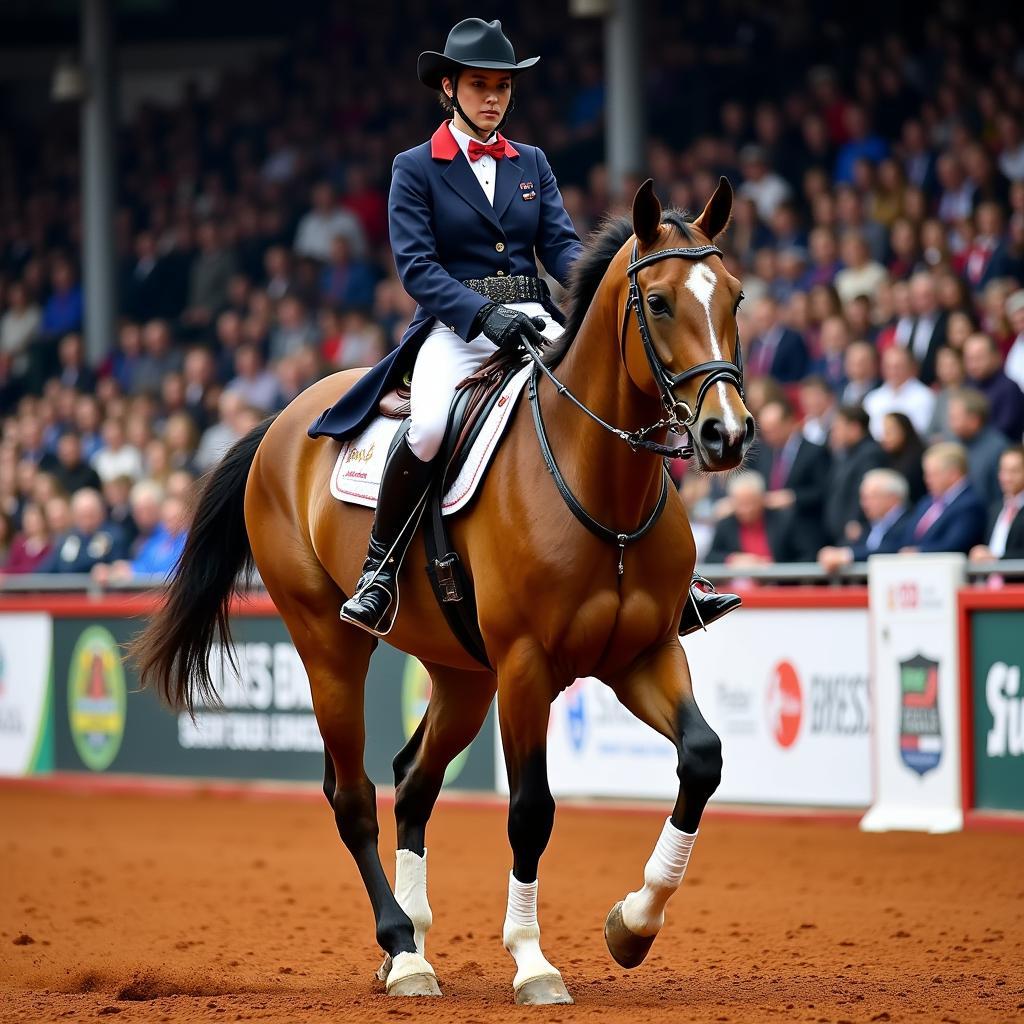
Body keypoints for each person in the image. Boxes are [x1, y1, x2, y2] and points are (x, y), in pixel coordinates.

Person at [310, 19, 739, 636]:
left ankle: (676, 574)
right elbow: (417, 268)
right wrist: (481, 315)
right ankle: (381, 568)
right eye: (480, 85)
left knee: (632, 406)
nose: (493, 98)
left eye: (503, 88)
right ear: (450, 88)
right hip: (454, 327)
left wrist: (609, 287)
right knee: (430, 424)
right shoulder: (415, 167)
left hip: (535, 316)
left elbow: (564, 250)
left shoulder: (531, 162)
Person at [752, 396, 831, 553]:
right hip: (772, 533)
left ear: (789, 423)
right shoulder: (763, 453)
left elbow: (824, 491)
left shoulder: (814, 451)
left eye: (773, 429)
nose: (768, 436)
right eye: (765, 431)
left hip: (805, 533)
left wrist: (793, 497)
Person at [705, 472, 816, 566]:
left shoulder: (784, 521)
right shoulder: (726, 524)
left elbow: (807, 556)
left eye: (751, 503)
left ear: (762, 499)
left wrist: (774, 566)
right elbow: (710, 558)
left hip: (778, 586)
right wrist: (732, 559)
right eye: (741, 504)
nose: (746, 510)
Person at [817, 468, 913, 571]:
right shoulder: (870, 528)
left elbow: (892, 550)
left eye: (870, 497)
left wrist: (847, 555)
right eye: (863, 498)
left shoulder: (910, 522)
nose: (864, 504)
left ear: (892, 498)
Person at [899, 443, 987, 554]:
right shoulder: (926, 502)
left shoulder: (970, 504)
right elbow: (908, 539)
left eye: (933, 474)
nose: (927, 479)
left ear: (953, 474)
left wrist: (919, 552)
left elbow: (955, 545)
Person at [823, 405, 886, 545]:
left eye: (838, 428)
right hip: (840, 535)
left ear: (855, 428)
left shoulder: (870, 454)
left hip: (856, 535)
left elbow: (865, 491)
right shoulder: (846, 454)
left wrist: (856, 521)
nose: (834, 433)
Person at [946, 389, 1007, 508]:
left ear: (974, 420)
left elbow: (998, 499)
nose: (950, 423)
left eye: (955, 418)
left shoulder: (998, 449)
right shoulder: (952, 442)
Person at [863, 346, 935, 439]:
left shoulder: (925, 397)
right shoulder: (873, 398)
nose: (893, 371)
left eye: (898, 366)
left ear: (911, 367)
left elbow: (922, 431)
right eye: (888, 367)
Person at [963, 332, 1024, 441]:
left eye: (979, 358)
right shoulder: (967, 385)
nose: (973, 364)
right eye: (969, 359)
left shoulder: (1009, 389)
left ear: (996, 356)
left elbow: (1004, 432)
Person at [970, 446, 1024, 562]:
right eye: (1003, 470)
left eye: (1014, 471)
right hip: (990, 578)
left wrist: (997, 558)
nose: (1006, 477)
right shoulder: (995, 509)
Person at [879, 411, 926, 503]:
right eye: (884, 432)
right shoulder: (888, 455)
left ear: (904, 431)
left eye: (889, 432)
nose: (884, 438)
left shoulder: (916, 459)